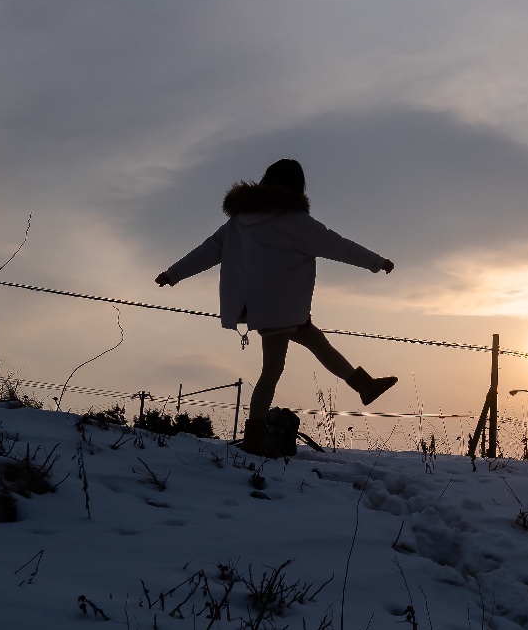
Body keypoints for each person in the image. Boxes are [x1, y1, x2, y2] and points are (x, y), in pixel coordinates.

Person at [156, 157, 398, 455]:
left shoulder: (237, 223)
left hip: (267, 307)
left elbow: (206, 251)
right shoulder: (297, 224)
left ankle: (365, 386)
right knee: (272, 370)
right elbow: (339, 245)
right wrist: (376, 261)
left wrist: (173, 274)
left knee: (316, 341)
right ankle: (254, 438)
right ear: (297, 189)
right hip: (280, 310)